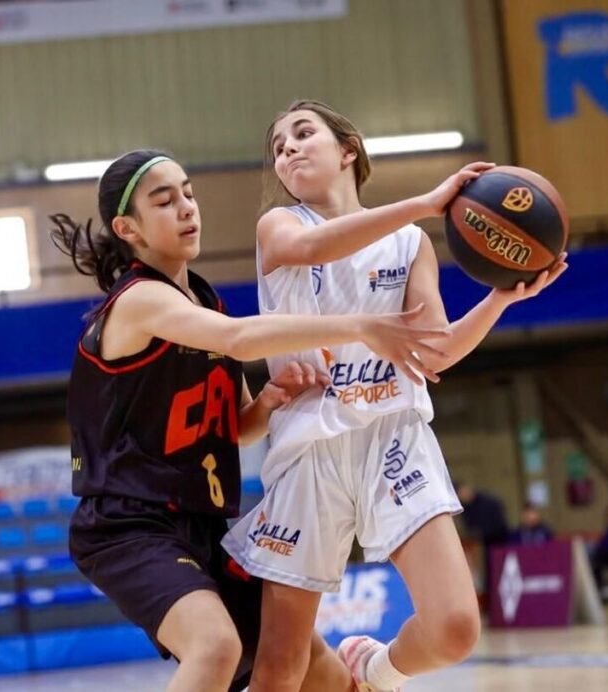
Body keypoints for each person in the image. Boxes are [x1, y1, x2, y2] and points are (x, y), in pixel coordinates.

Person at [52, 149, 451, 692]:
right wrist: (361, 325)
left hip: (202, 523)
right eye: (165, 201)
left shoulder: (205, 301)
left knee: (309, 661)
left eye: (189, 193)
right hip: (129, 525)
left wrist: (267, 402)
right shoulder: (141, 300)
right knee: (215, 646)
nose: (187, 207)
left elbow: (234, 428)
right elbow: (239, 337)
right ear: (129, 229)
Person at [221, 100, 569, 692]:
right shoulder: (280, 228)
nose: (288, 150)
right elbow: (316, 251)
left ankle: (373, 673)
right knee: (281, 667)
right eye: (279, 146)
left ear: (347, 151)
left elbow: (432, 353)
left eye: (304, 134)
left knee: (456, 628)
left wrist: (502, 300)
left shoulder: (409, 245)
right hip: (310, 449)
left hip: (394, 438)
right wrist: (430, 202)